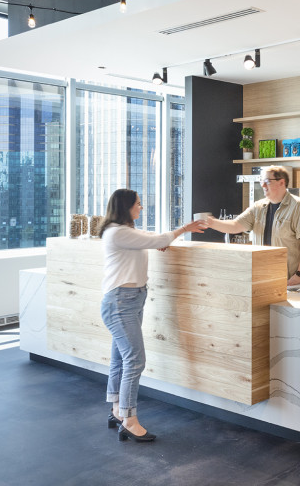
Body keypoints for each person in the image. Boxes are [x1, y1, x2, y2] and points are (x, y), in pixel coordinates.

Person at [100, 188, 207, 442]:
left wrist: (162, 240)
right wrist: (182, 229)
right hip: (120, 302)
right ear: (126, 207)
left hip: (130, 300)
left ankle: (117, 410)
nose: (141, 208)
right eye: (138, 204)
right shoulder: (118, 232)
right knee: (135, 360)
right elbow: (155, 240)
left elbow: (150, 238)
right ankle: (129, 419)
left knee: (120, 359)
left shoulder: (124, 232)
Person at [207, 165, 300, 285]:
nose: (263, 185)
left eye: (267, 181)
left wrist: (298, 275)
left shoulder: (298, 206)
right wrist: (211, 222)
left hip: (297, 281)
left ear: (281, 182)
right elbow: (235, 226)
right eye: (261, 181)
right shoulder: (258, 207)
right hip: (270, 279)